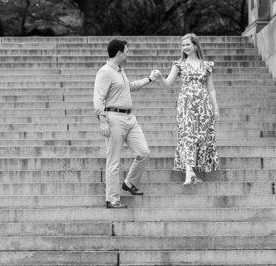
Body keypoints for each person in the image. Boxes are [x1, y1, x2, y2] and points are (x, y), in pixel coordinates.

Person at [93, 39, 160, 208]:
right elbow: (98, 98)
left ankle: (129, 183)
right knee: (113, 161)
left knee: (144, 152)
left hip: (130, 118)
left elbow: (129, 86)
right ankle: (113, 200)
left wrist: (149, 79)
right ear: (119, 53)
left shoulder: (120, 71)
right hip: (113, 118)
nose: (129, 54)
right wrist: (103, 120)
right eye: (127, 51)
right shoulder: (105, 72)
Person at [160, 33, 220, 185]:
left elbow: (211, 88)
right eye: (183, 45)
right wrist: (159, 77)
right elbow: (168, 84)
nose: (185, 47)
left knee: (201, 136)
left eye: (188, 44)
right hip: (186, 103)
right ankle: (189, 171)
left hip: (203, 104)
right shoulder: (178, 65)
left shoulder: (206, 65)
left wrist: (216, 107)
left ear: (195, 45)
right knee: (187, 134)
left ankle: (191, 172)